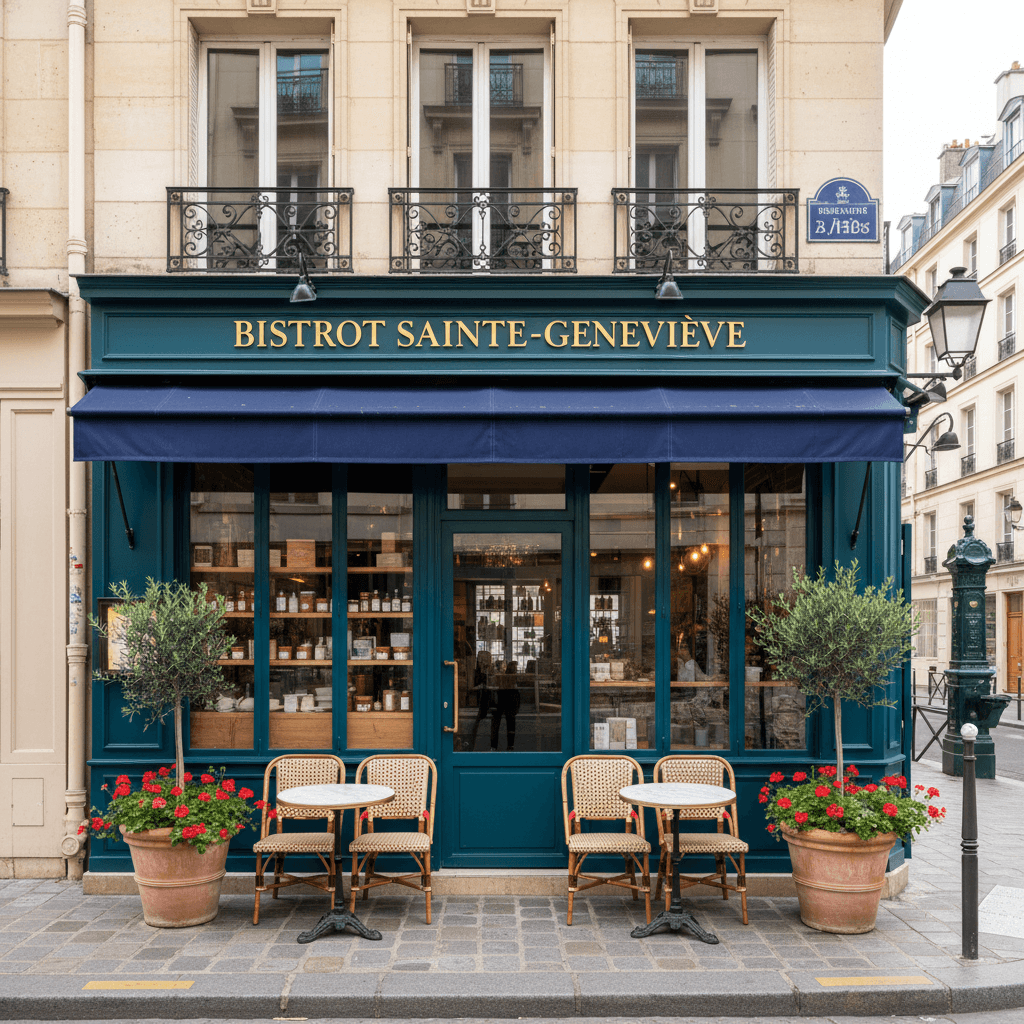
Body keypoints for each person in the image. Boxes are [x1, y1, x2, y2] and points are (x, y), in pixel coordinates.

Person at [491, 661, 520, 751]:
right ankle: (510, 745)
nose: (515, 669)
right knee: (510, 723)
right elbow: (516, 691)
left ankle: (494, 746)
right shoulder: (513, 677)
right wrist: (517, 706)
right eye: (514, 667)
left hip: (502, 699)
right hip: (509, 700)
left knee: (496, 724)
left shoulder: (502, 676)